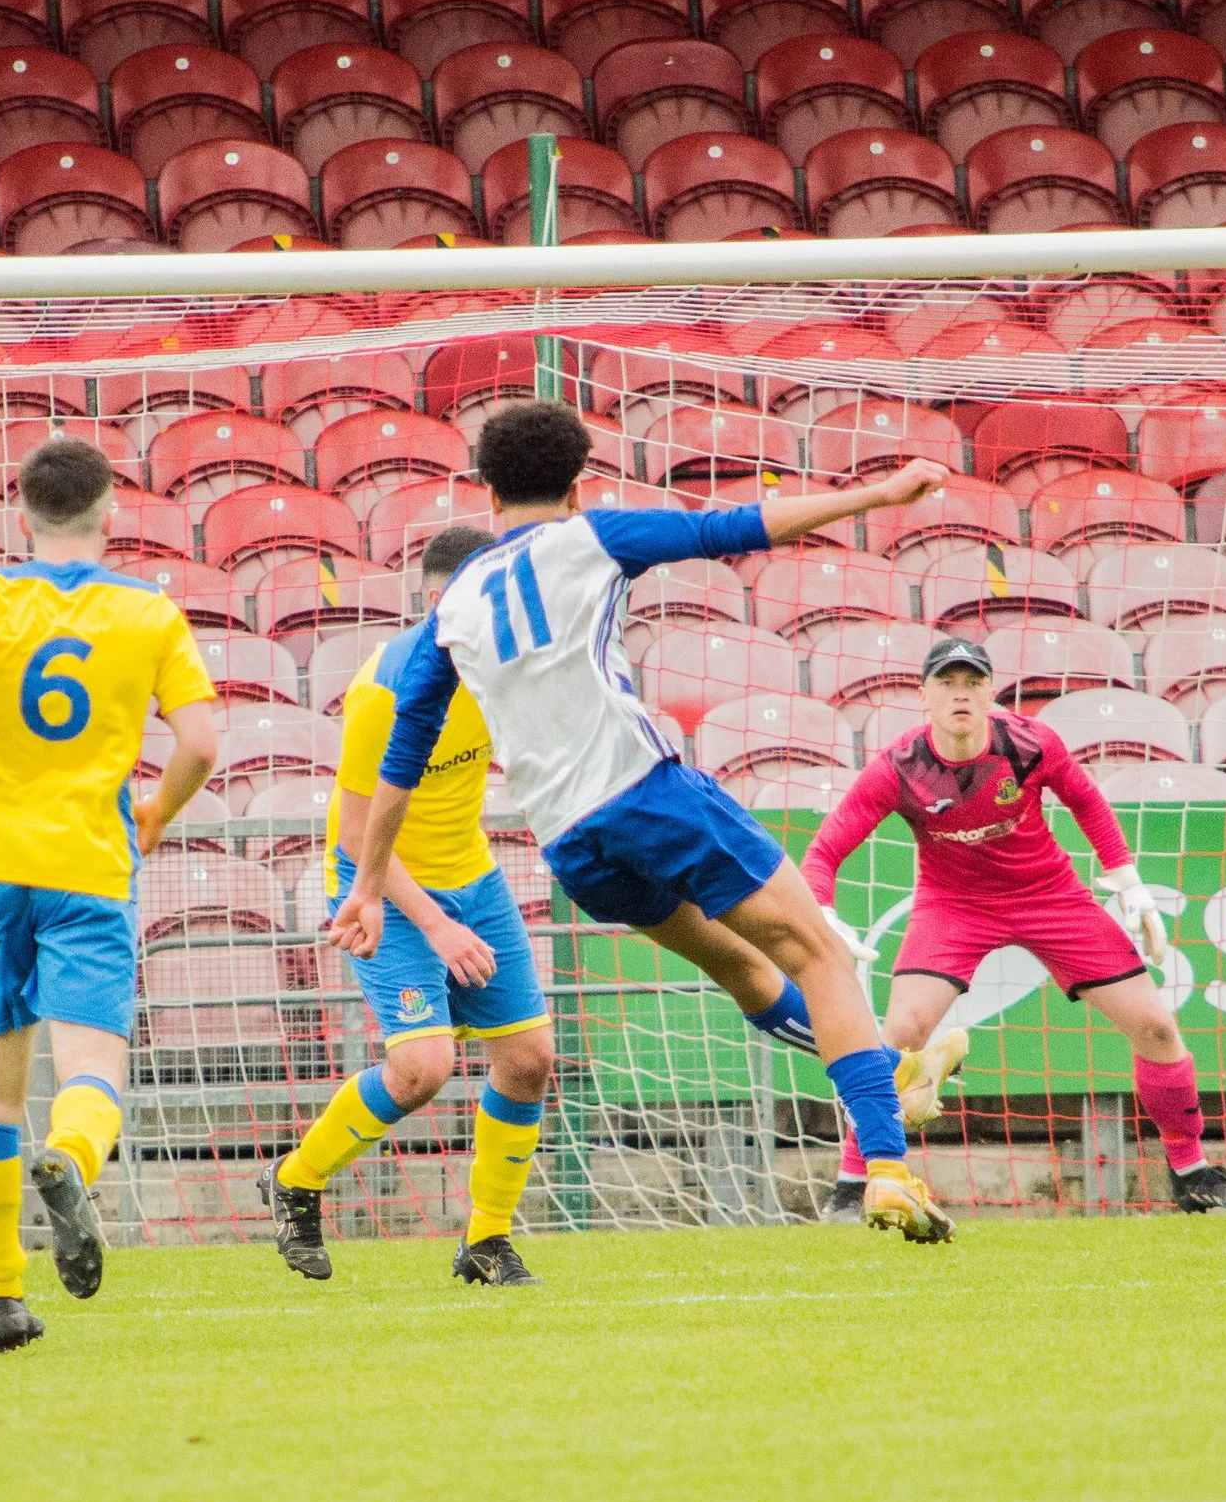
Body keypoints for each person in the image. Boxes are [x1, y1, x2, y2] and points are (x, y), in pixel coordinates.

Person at [329, 402, 955, 1244]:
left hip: (572, 848)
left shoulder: (455, 604)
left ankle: (894, 1073)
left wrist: (367, 886)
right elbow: (737, 526)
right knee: (818, 953)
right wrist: (877, 494)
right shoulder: (592, 537)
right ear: (579, 485)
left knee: (742, 966)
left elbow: (401, 762)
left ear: (486, 490)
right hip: (644, 794)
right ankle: (883, 1163)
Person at [0, 438, 220, 1353]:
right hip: (85, 870)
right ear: (109, 513)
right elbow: (200, 743)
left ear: (21, 513)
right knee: (91, 1074)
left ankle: (1, 1295)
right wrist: (152, 812)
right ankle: (70, 1163)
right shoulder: (148, 612)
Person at [800, 638, 1226, 1219]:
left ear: (989, 691)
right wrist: (820, 910)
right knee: (901, 1031)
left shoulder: (1030, 742)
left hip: (1049, 895)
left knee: (1154, 1025)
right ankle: (853, 1185)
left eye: (971, 682)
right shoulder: (899, 767)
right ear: (923, 696)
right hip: (952, 905)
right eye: (946, 683)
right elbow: (823, 852)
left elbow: (1088, 803)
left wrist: (1128, 883)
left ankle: (1194, 1174)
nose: (960, 694)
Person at [262, 525, 556, 1287]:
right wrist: (436, 923)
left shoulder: (505, 669)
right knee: (423, 1066)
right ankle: (295, 1179)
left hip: (471, 877)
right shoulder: (384, 691)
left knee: (528, 1061)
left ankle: (486, 1241)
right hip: (377, 885)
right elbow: (360, 836)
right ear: (437, 600)